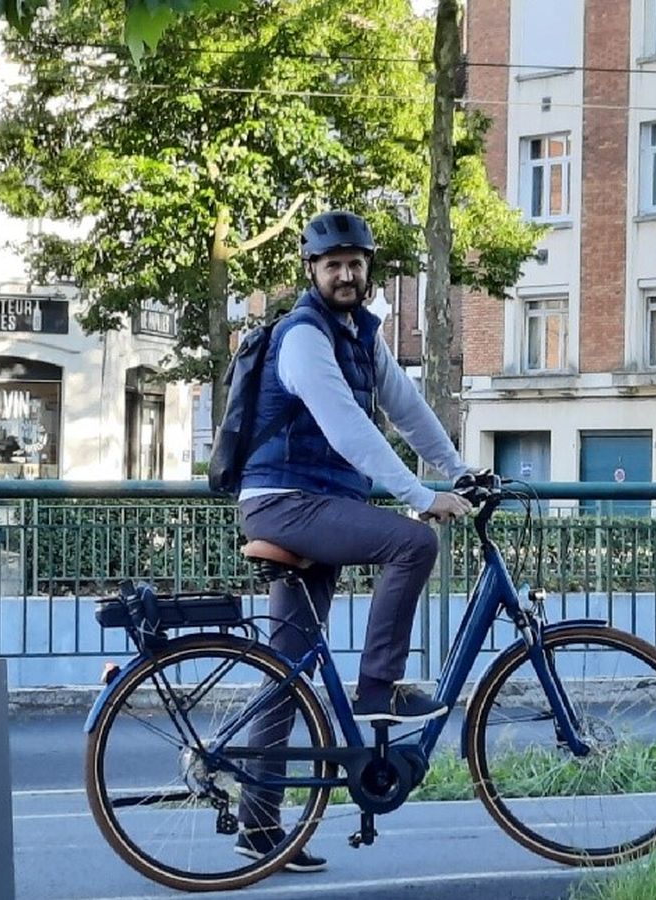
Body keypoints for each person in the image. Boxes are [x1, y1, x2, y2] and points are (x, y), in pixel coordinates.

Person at [233, 209, 473, 871]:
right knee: (412, 545)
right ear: (312, 271)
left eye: (356, 262)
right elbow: (349, 430)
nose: (346, 272)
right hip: (284, 501)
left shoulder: (361, 335)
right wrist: (421, 498)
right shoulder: (304, 336)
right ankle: (379, 688)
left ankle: (258, 827)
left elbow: (407, 409)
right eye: (333, 263)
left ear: (369, 272)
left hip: (314, 505)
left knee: (288, 670)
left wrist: (460, 470)